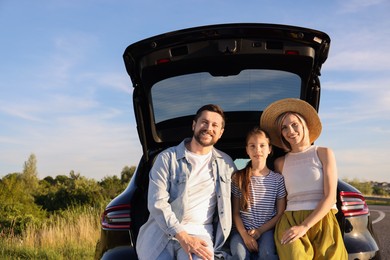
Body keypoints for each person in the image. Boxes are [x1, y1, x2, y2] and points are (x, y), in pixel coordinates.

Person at [136, 104, 236, 260]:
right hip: (162, 234)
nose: (209, 127)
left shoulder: (226, 164)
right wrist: (183, 237)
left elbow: (242, 195)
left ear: (221, 132)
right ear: (194, 125)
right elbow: (157, 203)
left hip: (201, 235)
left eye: (215, 125)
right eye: (204, 122)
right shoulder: (167, 158)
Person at [260, 98, 348, 259]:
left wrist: (305, 226)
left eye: (294, 124)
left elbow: (330, 197)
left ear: (304, 125)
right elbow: (281, 200)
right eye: (284, 128)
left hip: (322, 220)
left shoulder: (323, 153)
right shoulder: (280, 163)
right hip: (289, 221)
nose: (290, 131)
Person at [230, 127, 286, 260]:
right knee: (239, 255)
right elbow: (236, 213)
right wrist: (245, 235)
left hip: (266, 230)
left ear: (269, 149)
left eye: (262, 145)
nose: (257, 150)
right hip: (241, 230)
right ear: (247, 150)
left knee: (266, 254)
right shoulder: (238, 177)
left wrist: (260, 231)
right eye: (252, 146)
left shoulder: (278, 179)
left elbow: (280, 213)